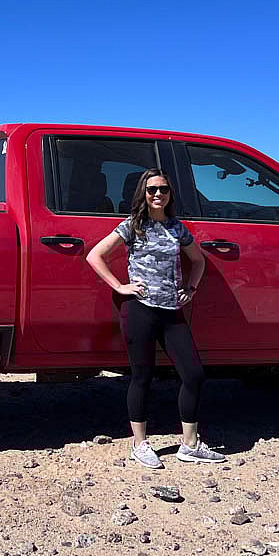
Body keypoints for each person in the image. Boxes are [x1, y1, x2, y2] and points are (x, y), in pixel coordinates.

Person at [86, 168, 227, 468]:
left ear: (170, 193)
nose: (158, 194)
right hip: (140, 309)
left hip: (172, 311)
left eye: (163, 189)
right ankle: (139, 444)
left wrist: (191, 287)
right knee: (142, 376)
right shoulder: (132, 226)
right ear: (143, 194)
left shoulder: (178, 228)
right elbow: (94, 256)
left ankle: (189, 445)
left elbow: (198, 261)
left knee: (193, 374)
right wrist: (120, 286)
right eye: (151, 190)